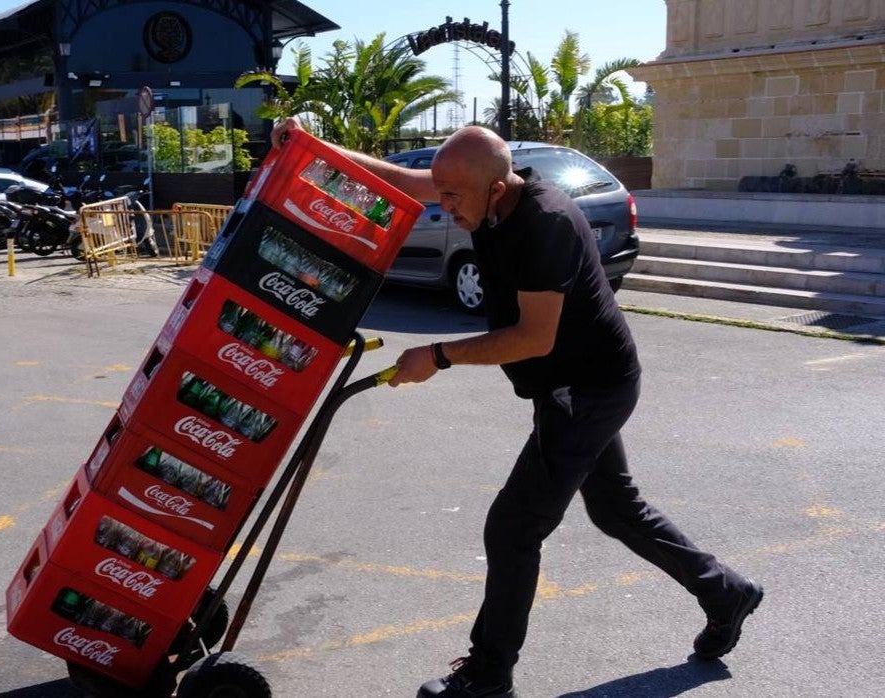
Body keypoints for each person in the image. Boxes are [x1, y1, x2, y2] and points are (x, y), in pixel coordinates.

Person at [269, 119, 764, 698]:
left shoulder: (544, 226)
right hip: (577, 383)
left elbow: (534, 338)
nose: (443, 207)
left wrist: (439, 354)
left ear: (495, 189)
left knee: (513, 527)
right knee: (615, 508)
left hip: (586, 389)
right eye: (443, 194)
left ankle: (488, 675)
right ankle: (725, 592)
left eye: (453, 198)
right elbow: (407, 179)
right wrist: (313, 148)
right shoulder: (479, 191)